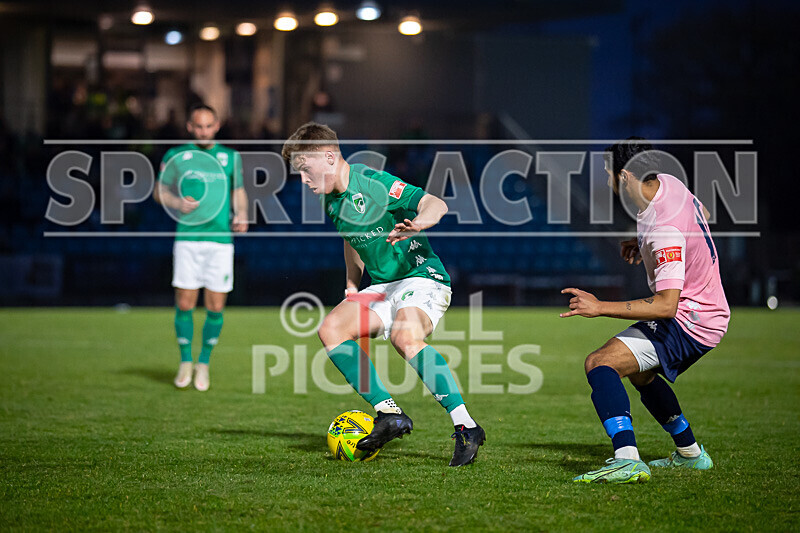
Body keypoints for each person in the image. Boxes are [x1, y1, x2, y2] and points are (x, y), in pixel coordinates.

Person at [282, 122, 485, 467]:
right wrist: (351, 283)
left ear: (329, 157)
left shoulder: (372, 182)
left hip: (422, 277)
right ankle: (388, 413)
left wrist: (419, 223)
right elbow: (351, 239)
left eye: (304, 169)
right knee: (330, 329)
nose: (303, 180)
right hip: (382, 287)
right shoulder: (332, 201)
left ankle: (467, 426)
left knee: (406, 337)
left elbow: (434, 203)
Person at [561, 137, 729, 484]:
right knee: (640, 372)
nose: (607, 181)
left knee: (600, 363)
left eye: (608, 173)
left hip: (690, 319)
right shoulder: (670, 185)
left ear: (624, 177)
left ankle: (626, 459)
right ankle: (690, 453)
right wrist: (644, 246)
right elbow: (703, 215)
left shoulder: (664, 229)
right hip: (705, 312)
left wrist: (599, 306)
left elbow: (666, 305)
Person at [153, 104, 248, 391]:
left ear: (217, 125)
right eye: (199, 126)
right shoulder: (176, 156)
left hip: (220, 241)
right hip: (187, 239)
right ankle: (185, 360)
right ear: (190, 127)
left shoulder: (231, 157)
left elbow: (238, 191)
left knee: (216, 306)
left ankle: (203, 362)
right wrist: (175, 202)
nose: (204, 131)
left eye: (209, 126)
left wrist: (242, 213)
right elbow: (160, 190)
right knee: (184, 302)